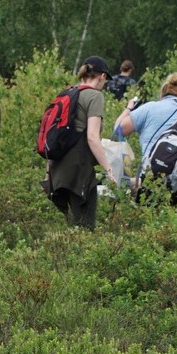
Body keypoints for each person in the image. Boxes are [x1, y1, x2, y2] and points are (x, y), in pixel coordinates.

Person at [114, 72, 177, 215]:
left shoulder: (148, 108)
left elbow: (118, 130)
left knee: (151, 228)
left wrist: (129, 108)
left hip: (153, 178)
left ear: (161, 96)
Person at [46, 55, 110, 229]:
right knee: (85, 228)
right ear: (102, 76)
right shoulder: (95, 96)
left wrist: (48, 172)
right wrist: (109, 170)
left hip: (58, 171)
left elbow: (53, 136)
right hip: (78, 171)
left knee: (71, 226)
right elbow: (92, 137)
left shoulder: (66, 94)